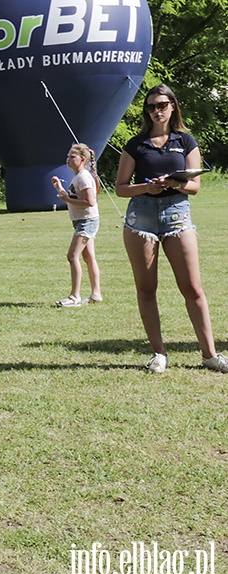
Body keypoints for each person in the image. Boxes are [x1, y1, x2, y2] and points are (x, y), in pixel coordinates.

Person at [115, 83, 228, 373]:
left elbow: (195, 186)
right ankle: (158, 354)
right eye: (151, 107)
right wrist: (147, 187)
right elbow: (121, 188)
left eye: (162, 105)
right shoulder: (135, 144)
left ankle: (210, 355)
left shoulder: (185, 141)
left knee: (192, 288)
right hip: (141, 217)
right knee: (146, 288)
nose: (156, 111)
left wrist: (174, 183)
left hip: (178, 214)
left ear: (172, 106)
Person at [51, 143, 103, 307]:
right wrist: (60, 188)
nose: (68, 159)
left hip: (87, 221)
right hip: (82, 220)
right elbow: (75, 197)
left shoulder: (83, 177)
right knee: (88, 257)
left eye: (72, 156)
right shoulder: (78, 176)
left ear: (82, 159)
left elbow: (90, 201)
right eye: (68, 156)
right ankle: (96, 294)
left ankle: (74, 297)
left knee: (72, 256)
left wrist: (67, 200)